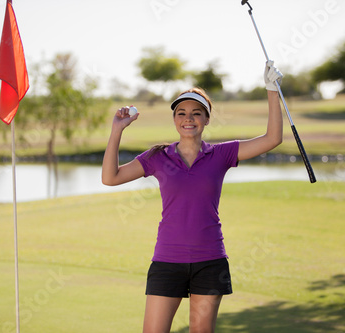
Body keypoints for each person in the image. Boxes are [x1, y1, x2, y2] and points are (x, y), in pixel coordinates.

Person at [101, 60, 283, 333]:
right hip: (166, 260)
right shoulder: (157, 157)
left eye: (196, 113)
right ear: (174, 119)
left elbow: (272, 139)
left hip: (209, 260)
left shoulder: (222, 154)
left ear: (207, 119)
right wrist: (117, 130)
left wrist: (272, 89)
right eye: (182, 113)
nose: (188, 118)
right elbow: (110, 177)